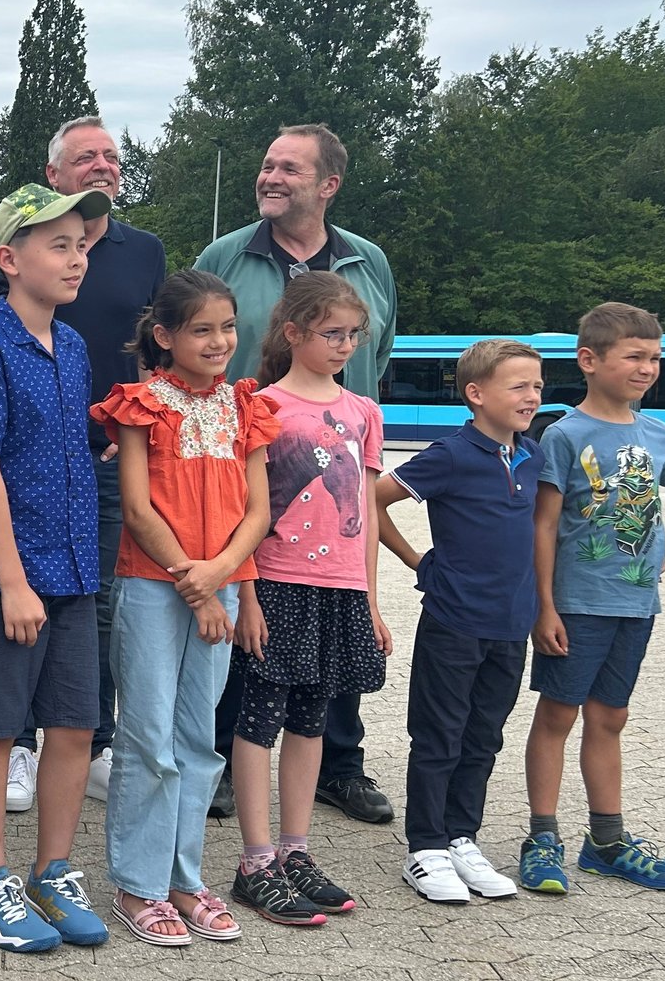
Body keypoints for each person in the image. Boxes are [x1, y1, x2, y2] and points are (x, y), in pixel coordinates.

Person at [194, 123, 397, 825]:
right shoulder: (226, 255)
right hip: (246, 462)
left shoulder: (368, 262)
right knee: (252, 625)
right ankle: (221, 760)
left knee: (339, 618)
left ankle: (342, 765)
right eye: (267, 165)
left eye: (289, 168)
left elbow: (380, 352)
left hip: (337, 456)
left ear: (327, 185)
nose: (270, 177)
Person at [0, 184, 111, 954]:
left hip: (74, 570)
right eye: (58, 244)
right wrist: (11, 579)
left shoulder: (71, 347)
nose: (76, 257)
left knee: (74, 722)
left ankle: (52, 870)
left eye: (82, 243)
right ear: (10, 259)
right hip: (5, 575)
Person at [93, 269, 278, 948]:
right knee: (147, 737)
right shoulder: (142, 403)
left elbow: (258, 511)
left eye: (227, 326)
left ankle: (184, 876)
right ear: (165, 335)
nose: (219, 339)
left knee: (200, 739)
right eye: (202, 328)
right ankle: (136, 884)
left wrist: (219, 578)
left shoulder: (246, 406)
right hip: (151, 585)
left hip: (217, 586)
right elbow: (137, 508)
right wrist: (193, 583)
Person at [5, 116, 166, 814]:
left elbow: (156, 351)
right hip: (28, 451)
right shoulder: (26, 241)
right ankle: (15, 741)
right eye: (86, 156)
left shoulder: (146, 250)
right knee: (18, 595)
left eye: (112, 156)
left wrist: (137, 428)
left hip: (107, 452)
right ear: (55, 176)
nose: (103, 165)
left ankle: (92, 741)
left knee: (95, 600)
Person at [229, 273, 390, 926]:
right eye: (333, 333)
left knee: (312, 722)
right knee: (258, 721)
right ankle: (255, 860)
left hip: (340, 592)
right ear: (293, 332)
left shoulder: (364, 412)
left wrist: (372, 601)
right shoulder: (260, 405)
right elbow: (241, 510)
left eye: (354, 334)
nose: (346, 344)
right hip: (276, 585)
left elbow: (370, 516)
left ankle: (295, 851)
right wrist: (246, 592)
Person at [520, 303, 665, 894]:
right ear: (589, 361)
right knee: (558, 715)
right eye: (635, 357)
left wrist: (653, 548)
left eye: (655, 359)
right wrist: (544, 605)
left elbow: (645, 498)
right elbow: (544, 524)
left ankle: (607, 841)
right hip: (579, 603)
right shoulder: (564, 434)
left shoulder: (657, 432)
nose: (647, 368)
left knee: (610, 716)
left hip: (637, 603)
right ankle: (542, 837)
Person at [375, 339, 546, 904]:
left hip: (510, 626)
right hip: (453, 622)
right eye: (518, 386)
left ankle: (460, 837)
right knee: (439, 736)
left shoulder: (532, 455)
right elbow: (372, 501)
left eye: (538, 386)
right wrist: (417, 560)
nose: (532, 396)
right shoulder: (449, 454)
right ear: (476, 395)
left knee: (483, 737)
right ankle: (425, 848)